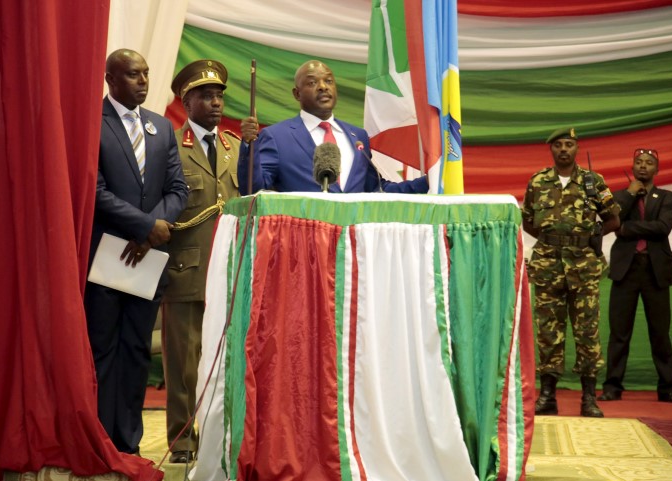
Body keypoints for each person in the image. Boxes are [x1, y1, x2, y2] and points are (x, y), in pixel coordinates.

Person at [85, 48, 188, 454]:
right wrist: (145, 226)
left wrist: (151, 234)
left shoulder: (161, 127)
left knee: (137, 350)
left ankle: (128, 445)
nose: (144, 81)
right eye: (133, 75)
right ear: (111, 78)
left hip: (148, 259)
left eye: (146, 74)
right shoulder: (93, 120)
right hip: (107, 259)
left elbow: (177, 190)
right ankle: (99, 441)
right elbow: (94, 191)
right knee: (103, 349)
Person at [161, 59, 242, 464]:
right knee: (184, 362)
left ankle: (222, 432)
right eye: (205, 96)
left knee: (228, 355)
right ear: (185, 100)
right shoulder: (170, 145)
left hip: (229, 269)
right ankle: (181, 440)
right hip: (186, 268)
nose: (215, 102)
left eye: (219, 95)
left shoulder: (235, 147)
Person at [522, 127, 620, 418]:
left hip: (583, 266)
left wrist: (591, 234)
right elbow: (528, 220)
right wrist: (553, 238)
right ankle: (548, 395)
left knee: (587, 332)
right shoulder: (538, 181)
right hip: (548, 265)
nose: (564, 150)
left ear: (577, 148)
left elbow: (614, 218)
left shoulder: (593, 181)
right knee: (548, 332)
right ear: (551, 149)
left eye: (569, 144)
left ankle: (589, 398)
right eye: (558, 145)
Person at [237, 59, 428, 194]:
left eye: (328, 81)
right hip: (305, 241)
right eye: (312, 82)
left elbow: (377, 190)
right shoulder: (277, 137)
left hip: (353, 242)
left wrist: (428, 182)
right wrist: (248, 145)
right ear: (297, 94)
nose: (323, 87)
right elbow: (253, 190)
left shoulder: (358, 137)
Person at [598, 149, 672, 404]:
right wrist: (629, 194)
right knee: (619, 333)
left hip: (655, 270)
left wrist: (627, 228)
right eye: (639, 162)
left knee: (660, 333)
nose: (643, 166)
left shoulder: (667, 197)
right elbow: (613, 222)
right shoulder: (619, 196)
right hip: (625, 270)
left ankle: (668, 388)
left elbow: (662, 228)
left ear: (656, 169)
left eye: (649, 163)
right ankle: (613, 386)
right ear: (633, 167)